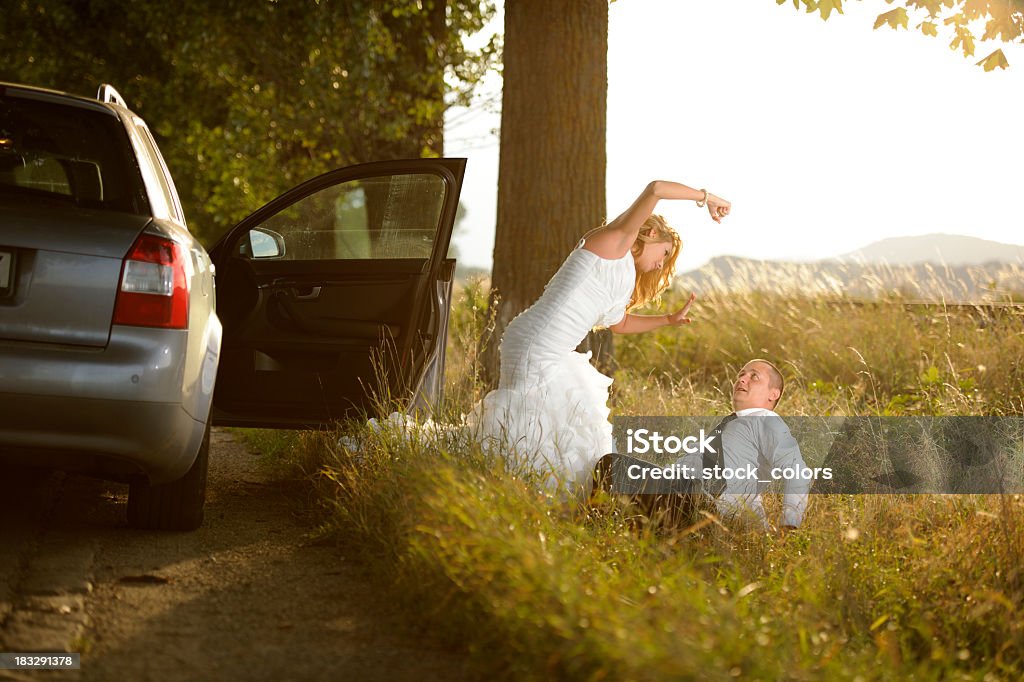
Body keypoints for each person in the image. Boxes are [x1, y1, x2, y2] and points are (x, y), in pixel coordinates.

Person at [466, 181, 731, 496]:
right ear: (650, 234)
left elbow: (619, 323)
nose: (661, 264)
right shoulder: (615, 241)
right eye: (664, 253)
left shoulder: (618, 269)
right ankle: (520, 488)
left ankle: (538, 487)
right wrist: (707, 198)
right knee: (535, 419)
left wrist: (667, 320)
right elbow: (656, 189)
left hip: (548, 346)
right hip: (538, 344)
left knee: (566, 419)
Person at [594, 359, 810, 530]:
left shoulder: (765, 420)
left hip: (700, 501)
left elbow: (797, 470)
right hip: (683, 491)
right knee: (607, 461)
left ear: (774, 394)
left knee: (610, 466)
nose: (742, 379)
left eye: (754, 376)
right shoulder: (732, 425)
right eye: (741, 374)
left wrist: (789, 524)